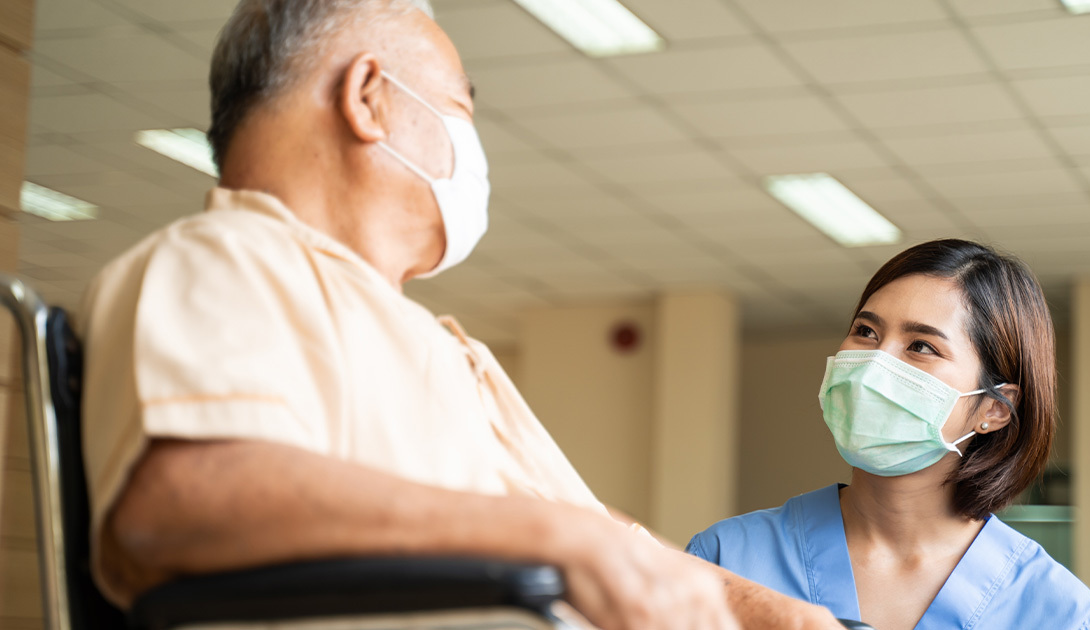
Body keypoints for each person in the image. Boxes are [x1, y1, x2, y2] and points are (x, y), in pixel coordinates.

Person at [77, 1, 846, 629]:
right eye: (456, 106)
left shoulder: (432, 347)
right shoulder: (223, 258)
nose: (471, 147)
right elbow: (184, 499)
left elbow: (603, 540)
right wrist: (556, 539)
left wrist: (774, 615)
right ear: (369, 97)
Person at [687, 239, 1090, 630]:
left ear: (993, 408)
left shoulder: (1055, 610)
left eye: (921, 346)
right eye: (866, 332)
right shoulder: (727, 559)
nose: (874, 365)